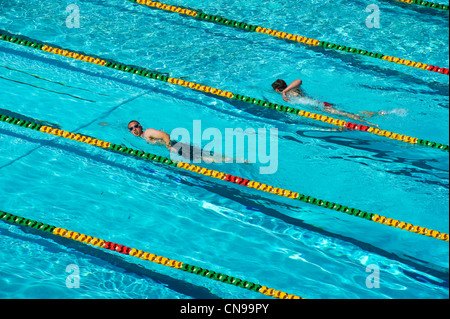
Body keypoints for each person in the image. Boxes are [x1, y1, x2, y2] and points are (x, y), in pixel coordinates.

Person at [272, 79, 385, 126]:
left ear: (277, 90)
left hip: (321, 106)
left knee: (347, 115)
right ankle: (369, 114)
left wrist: (284, 92)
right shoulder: (291, 90)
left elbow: (299, 80)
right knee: (347, 113)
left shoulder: (290, 91)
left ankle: (370, 123)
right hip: (321, 104)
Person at [127, 120, 235, 163]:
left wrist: (170, 147)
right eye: (131, 129)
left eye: (135, 126)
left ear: (140, 126)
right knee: (204, 154)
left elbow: (165, 135)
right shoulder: (142, 136)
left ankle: (235, 159)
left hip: (176, 146)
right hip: (177, 146)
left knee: (204, 158)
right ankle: (234, 158)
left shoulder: (148, 132)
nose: (134, 129)